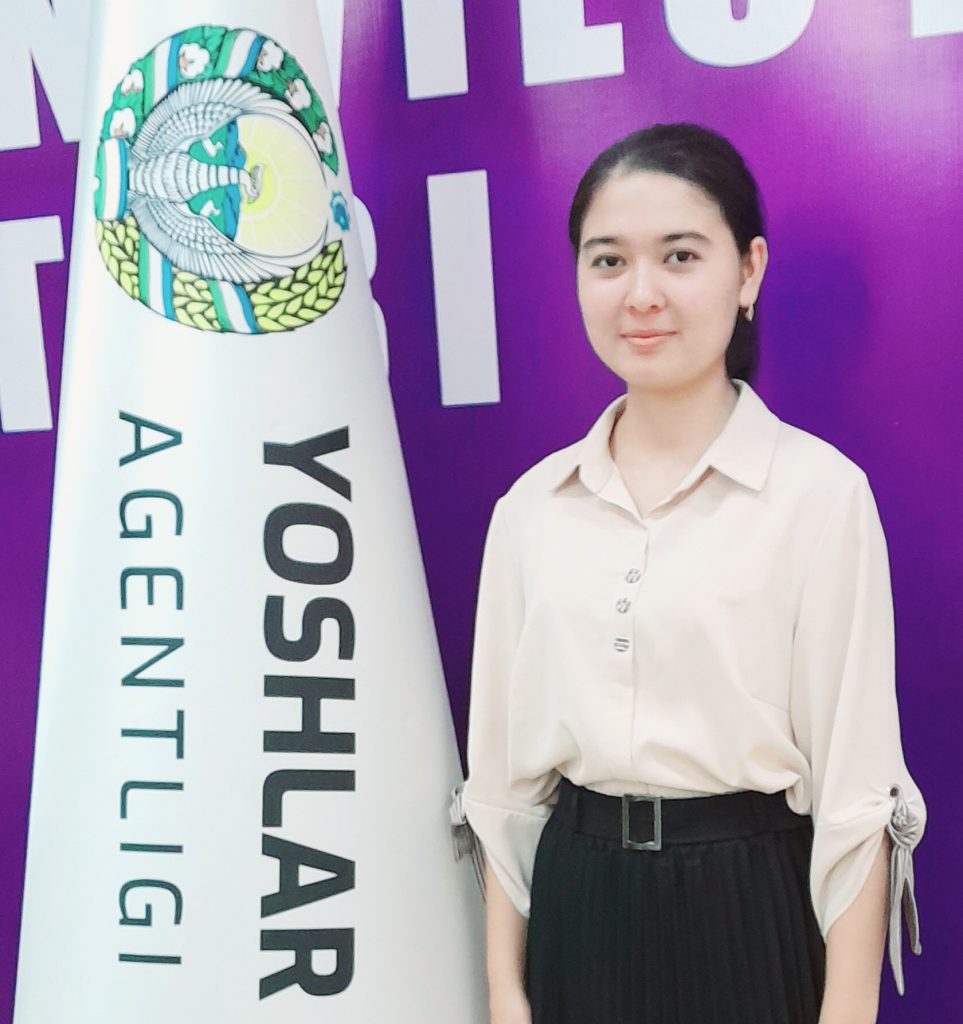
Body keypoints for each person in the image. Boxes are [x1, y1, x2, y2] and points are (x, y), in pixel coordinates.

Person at [452, 123, 925, 1024]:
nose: (641, 295)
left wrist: (849, 1011)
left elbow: (858, 797)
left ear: (746, 271)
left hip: (747, 911)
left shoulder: (818, 496)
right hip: (576, 912)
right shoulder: (531, 509)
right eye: (607, 261)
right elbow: (502, 789)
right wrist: (506, 993)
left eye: (678, 256)